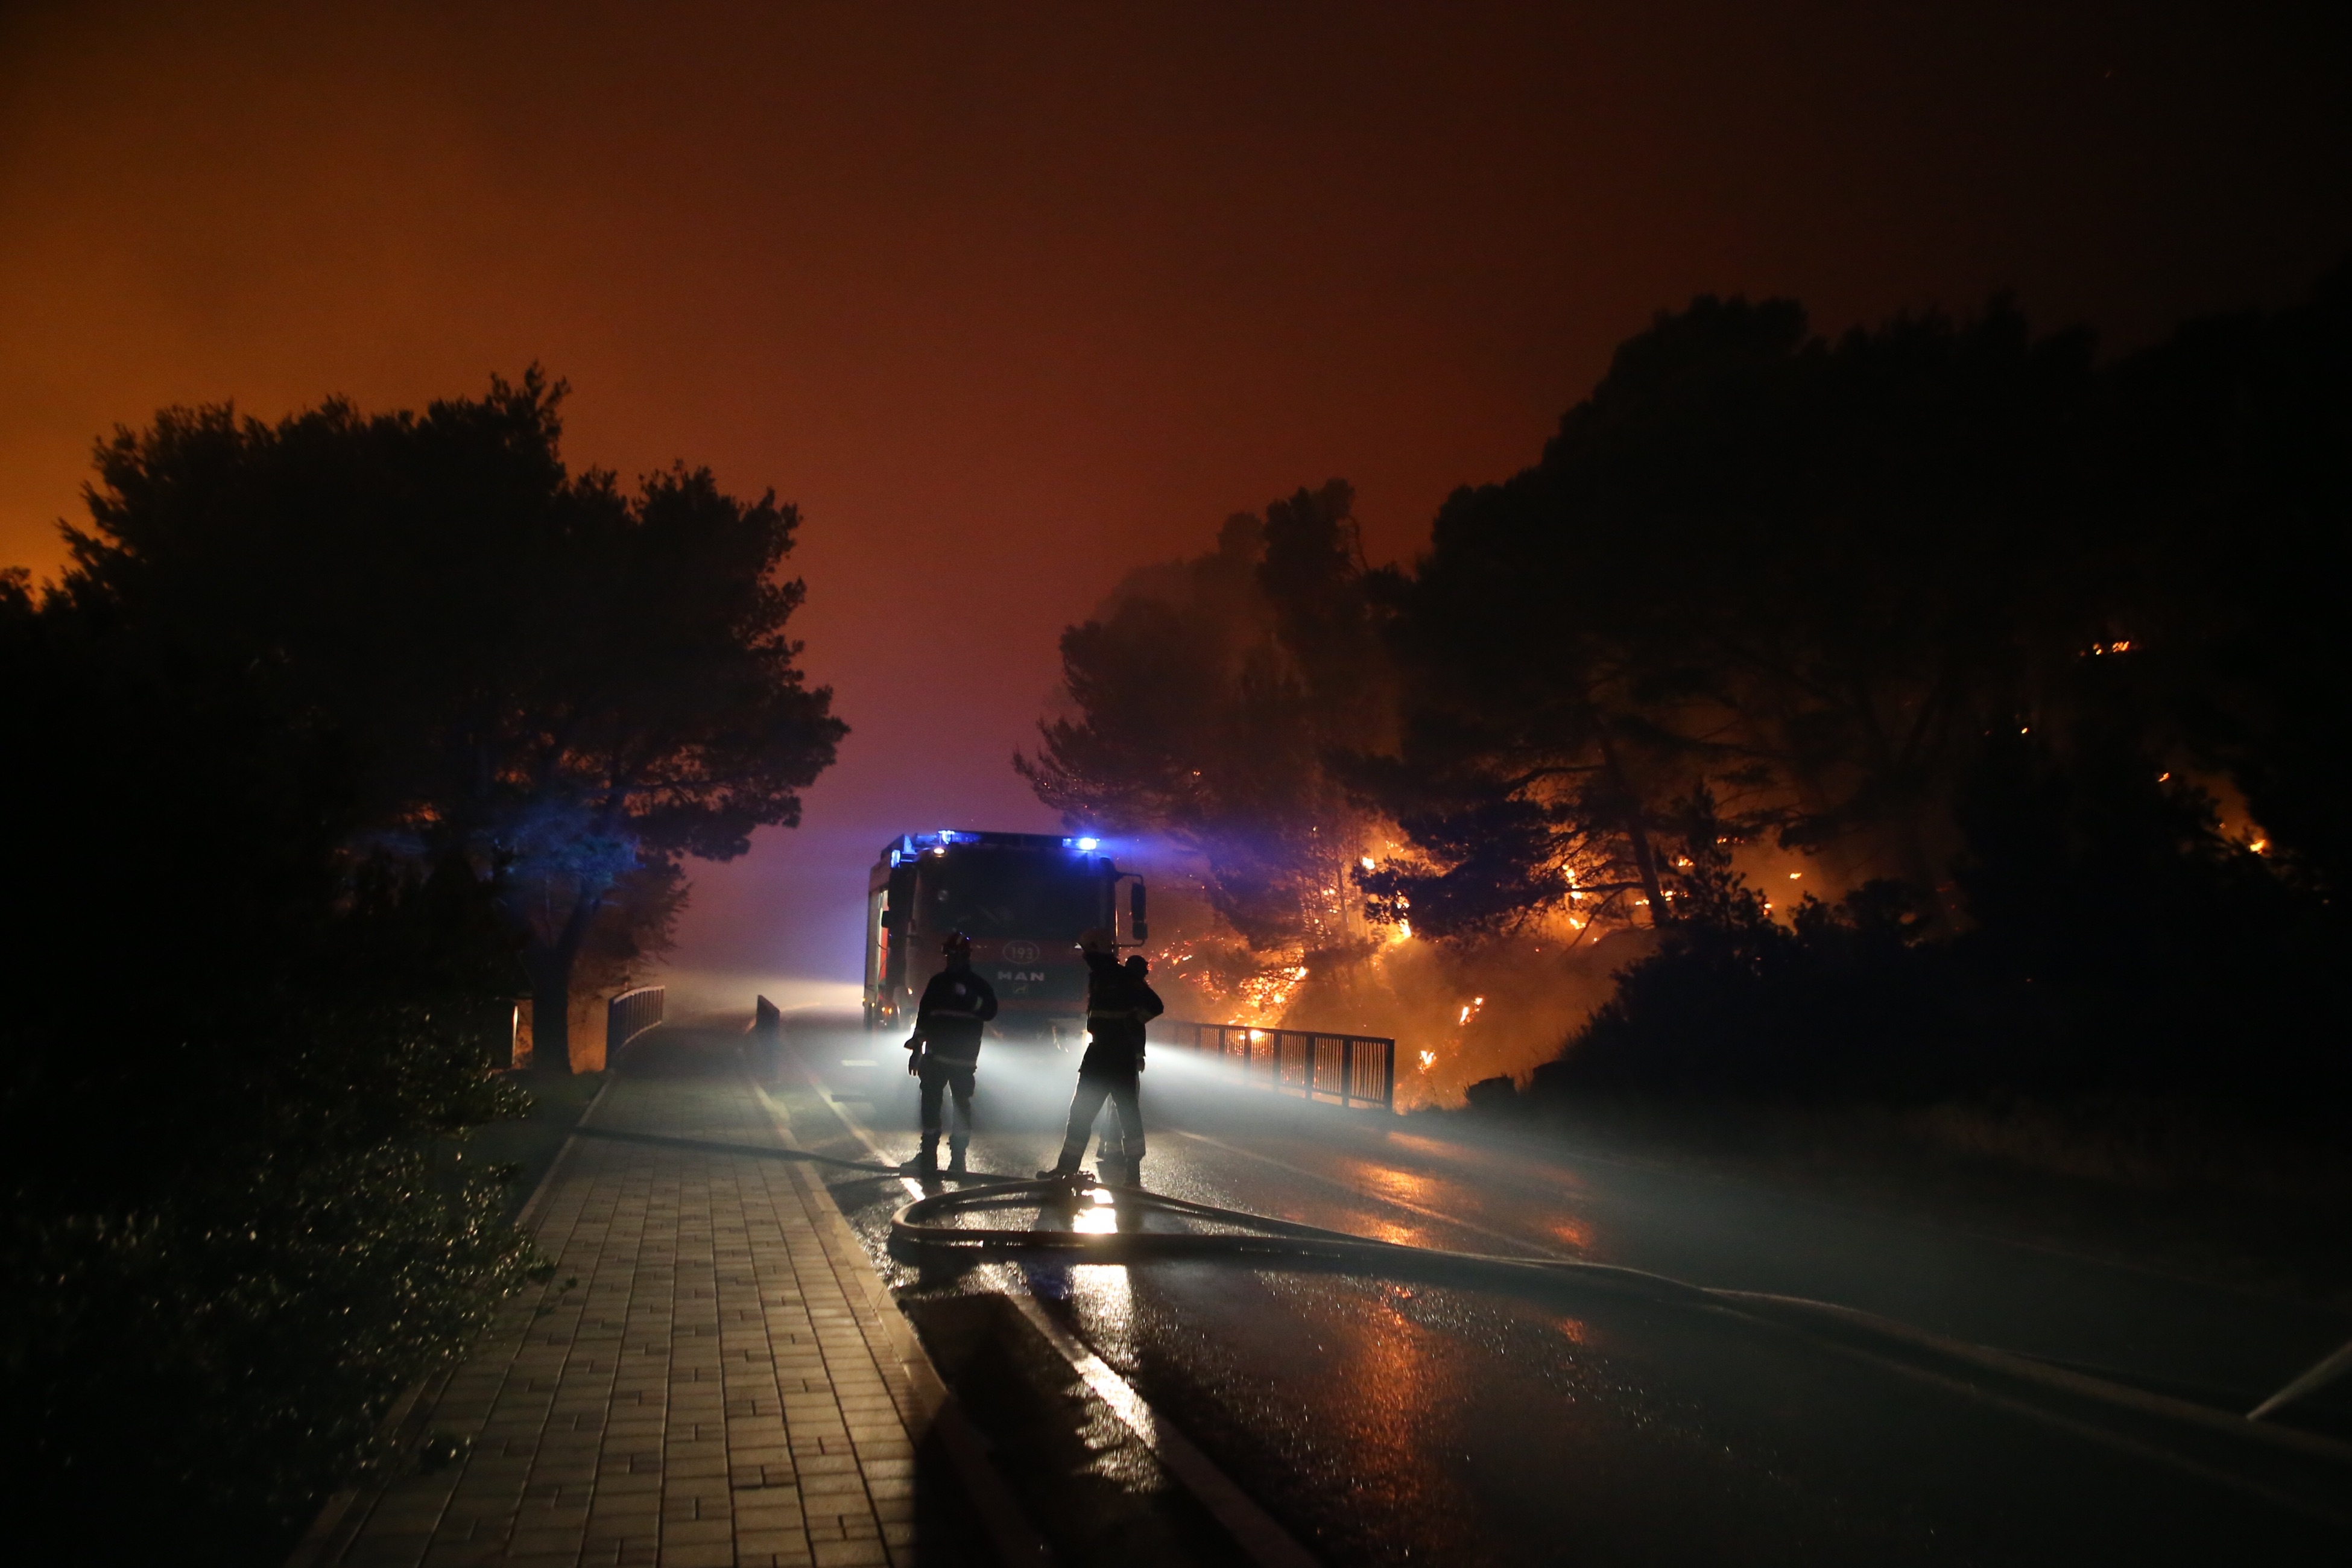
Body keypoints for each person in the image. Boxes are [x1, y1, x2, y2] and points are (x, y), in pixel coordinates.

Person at [1040, 928, 1163, 1186]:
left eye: (1088, 952)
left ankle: (1132, 1172)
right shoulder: (1098, 977)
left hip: (1117, 1056)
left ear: (1098, 951)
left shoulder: (1123, 977)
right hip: (1100, 1054)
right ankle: (1066, 1169)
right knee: (1082, 1115)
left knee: (1126, 1115)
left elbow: (1155, 1005)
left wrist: (1131, 1022)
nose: (1085, 957)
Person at [905, 930, 997, 1175]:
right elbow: (924, 1019)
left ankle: (958, 1159)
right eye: (950, 955)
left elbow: (989, 1012)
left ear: (966, 957)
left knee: (960, 1106)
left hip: (962, 1061)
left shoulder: (977, 986)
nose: (952, 960)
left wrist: (966, 996)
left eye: (957, 955)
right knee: (931, 1105)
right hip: (937, 1058)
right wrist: (916, 1050)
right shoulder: (937, 984)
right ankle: (929, 1157)